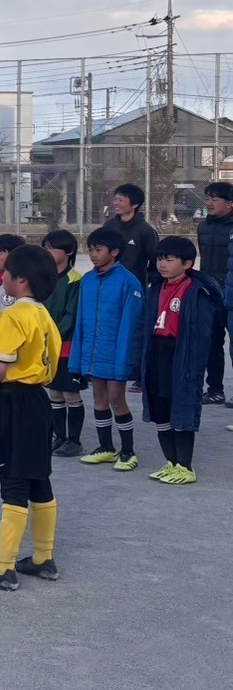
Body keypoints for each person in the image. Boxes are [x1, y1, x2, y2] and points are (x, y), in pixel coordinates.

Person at [0, 245, 63, 590]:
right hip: (39, 400)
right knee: (39, 478)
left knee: (12, 480)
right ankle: (43, 558)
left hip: (14, 400)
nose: (3, 276)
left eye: (7, 272)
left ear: (21, 279)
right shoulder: (44, 315)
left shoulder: (11, 316)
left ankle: (4, 568)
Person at [140, 237, 220, 483]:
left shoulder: (197, 291)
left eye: (169, 260)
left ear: (187, 264)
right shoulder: (156, 287)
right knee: (160, 407)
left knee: (182, 407)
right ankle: (171, 462)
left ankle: (185, 466)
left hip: (181, 354)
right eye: (159, 259)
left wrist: (193, 365)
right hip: (157, 352)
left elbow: (202, 334)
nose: (162, 264)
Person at [68, 227, 146, 469]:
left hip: (115, 354)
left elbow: (132, 325)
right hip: (92, 352)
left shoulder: (129, 282)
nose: (93, 254)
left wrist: (125, 359)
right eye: (91, 249)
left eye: (98, 250)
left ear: (114, 252)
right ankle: (106, 448)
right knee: (98, 398)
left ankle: (128, 452)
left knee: (117, 400)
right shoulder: (88, 280)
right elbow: (81, 321)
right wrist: (78, 355)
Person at [41, 231, 85, 455]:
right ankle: (59, 437)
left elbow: (71, 315)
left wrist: (52, 335)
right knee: (55, 393)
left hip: (67, 347)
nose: (47, 253)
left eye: (52, 248)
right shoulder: (42, 278)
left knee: (70, 394)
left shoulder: (75, 280)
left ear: (69, 252)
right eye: (45, 248)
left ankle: (74, 441)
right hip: (46, 346)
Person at [195, 182, 233, 404]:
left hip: (230, 292)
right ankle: (215, 390)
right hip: (210, 292)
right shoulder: (203, 227)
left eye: (214, 199)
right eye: (207, 198)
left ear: (229, 204)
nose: (208, 203)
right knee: (212, 343)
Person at [103, 182, 159, 284]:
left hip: (134, 285)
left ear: (134, 204)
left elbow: (155, 262)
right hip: (109, 283)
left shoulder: (146, 231)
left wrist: (143, 282)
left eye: (121, 200)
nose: (116, 203)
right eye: (115, 199)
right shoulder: (109, 226)